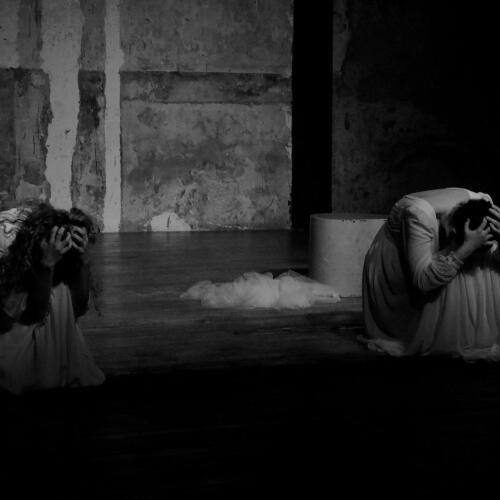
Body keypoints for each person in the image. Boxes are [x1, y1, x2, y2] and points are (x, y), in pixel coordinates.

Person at [360, 187, 500, 359]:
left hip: (449, 245)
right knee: (450, 263)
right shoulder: (419, 216)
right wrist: (465, 249)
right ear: (453, 233)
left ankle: (473, 330)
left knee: (485, 262)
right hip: (398, 263)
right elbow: (423, 281)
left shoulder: (485, 207)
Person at [0, 202, 105, 394]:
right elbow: (30, 314)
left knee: (59, 289)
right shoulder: (13, 251)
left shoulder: (64, 257)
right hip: (13, 340)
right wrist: (46, 264)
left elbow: (79, 306)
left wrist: (83, 259)